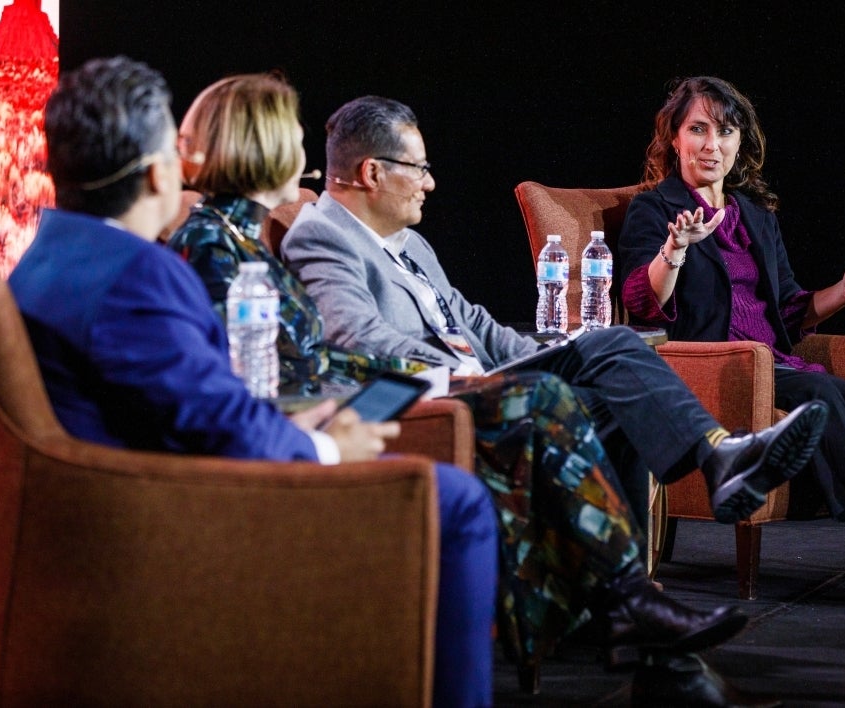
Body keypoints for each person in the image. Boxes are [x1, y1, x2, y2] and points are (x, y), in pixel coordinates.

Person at [166, 74, 758, 692]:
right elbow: (325, 352)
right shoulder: (245, 240)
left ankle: (640, 618)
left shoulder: (344, 244)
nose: (309, 160)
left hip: (415, 386)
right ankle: (644, 587)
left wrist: (540, 353)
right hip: (396, 401)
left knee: (607, 359)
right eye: (292, 140)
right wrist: (458, 378)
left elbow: (469, 320)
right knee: (565, 384)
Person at [6, 57, 497, 708]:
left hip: (117, 495)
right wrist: (325, 449)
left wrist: (293, 424)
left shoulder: (39, 259)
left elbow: (184, 400)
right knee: (457, 502)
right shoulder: (136, 276)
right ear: (159, 172)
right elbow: (213, 425)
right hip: (175, 521)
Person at [617, 75, 845, 603]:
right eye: (697, 129)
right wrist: (674, 248)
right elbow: (643, 302)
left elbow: (787, 308)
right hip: (716, 366)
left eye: (724, 131)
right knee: (825, 395)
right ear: (673, 137)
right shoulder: (654, 210)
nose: (711, 145)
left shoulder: (756, 216)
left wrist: (841, 292)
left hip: (775, 362)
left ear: (739, 142)